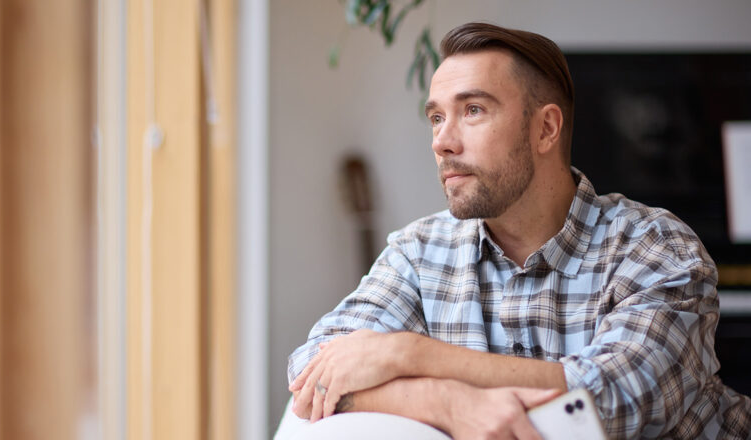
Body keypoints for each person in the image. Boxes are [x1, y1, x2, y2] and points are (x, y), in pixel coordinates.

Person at [284, 22, 751, 439]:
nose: (442, 142)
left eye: (472, 110)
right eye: (436, 117)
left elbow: (608, 398)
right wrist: (447, 403)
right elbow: (311, 369)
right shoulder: (419, 252)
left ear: (545, 129)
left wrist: (410, 355)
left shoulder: (654, 245)